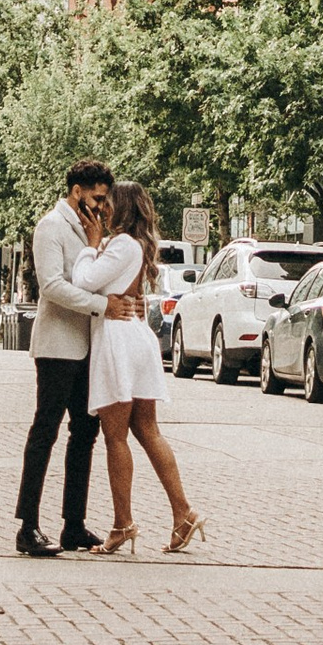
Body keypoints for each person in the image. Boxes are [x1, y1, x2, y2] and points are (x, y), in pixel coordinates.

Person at [74, 182, 206, 558]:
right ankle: (183, 512)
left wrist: (90, 244)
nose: (102, 210)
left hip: (118, 341)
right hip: (136, 337)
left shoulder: (121, 244)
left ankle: (123, 524)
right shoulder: (136, 246)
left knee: (116, 436)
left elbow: (84, 280)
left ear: (123, 208)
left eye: (108, 203)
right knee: (148, 430)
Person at [14, 161, 115, 556]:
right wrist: (103, 306)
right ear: (76, 191)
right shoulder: (50, 227)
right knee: (45, 432)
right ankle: (28, 526)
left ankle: (74, 524)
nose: (103, 206)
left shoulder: (92, 230)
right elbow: (52, 286)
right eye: (97, 198)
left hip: (90, 347)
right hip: (57, 346)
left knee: (85, 435)